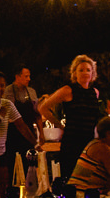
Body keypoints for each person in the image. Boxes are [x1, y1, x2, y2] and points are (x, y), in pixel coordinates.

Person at [40, 54, 104, 186]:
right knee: (70, 180)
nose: (85, 73)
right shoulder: (68, 90)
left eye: (88, 70)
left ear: (93, 73)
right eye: (81, 70)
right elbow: (43, 108)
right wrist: (59, 126)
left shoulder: (95, 92)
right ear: (74, 73)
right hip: (72, 142)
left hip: (89, 143)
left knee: (88, 181)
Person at [69, 115, 110, 198]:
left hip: (80, 195)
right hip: (83, 197)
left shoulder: (98, 145)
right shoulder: (100, 148)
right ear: (108, 133)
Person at [0, 67, 42, 182]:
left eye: (29, 76)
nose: (29, 79)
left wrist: (41, 135)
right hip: (13, 133)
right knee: (10, 164)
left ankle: (30, 190)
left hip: (28, 133)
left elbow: (37, 114)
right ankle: (10, 193)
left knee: (30, 164)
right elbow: (10, 114)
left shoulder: (32, 92)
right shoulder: (8, 91)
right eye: (26, 76)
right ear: (17, 77)